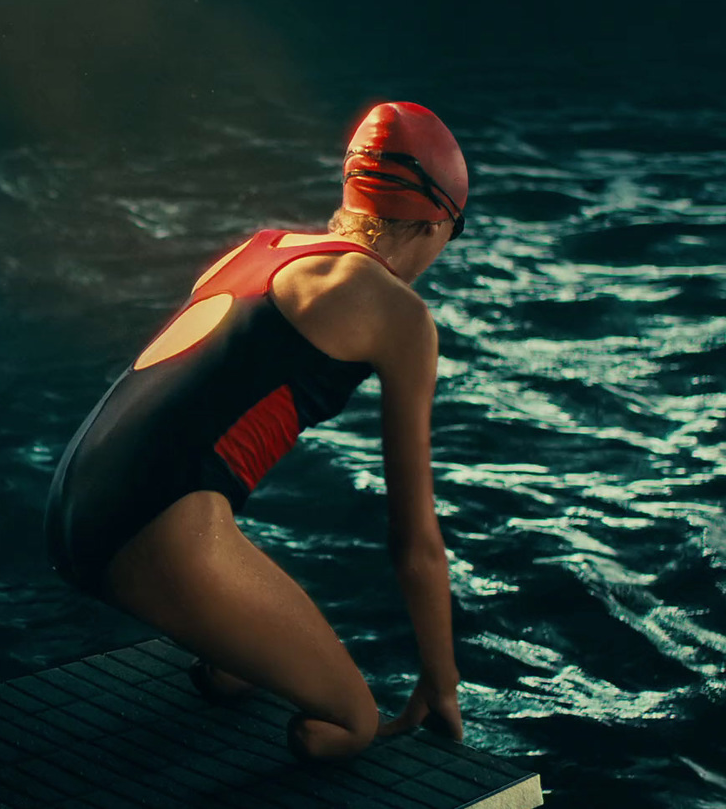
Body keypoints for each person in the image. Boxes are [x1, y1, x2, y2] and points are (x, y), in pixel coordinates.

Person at [44, 101, 467, 761]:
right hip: (152, 529)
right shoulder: (401, 315)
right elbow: (414, 542)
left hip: (69, 501)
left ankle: (226, 660)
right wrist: (441, 683)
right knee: (348, 720)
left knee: (248, 655)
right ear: (436, 221)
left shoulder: (261, 248)